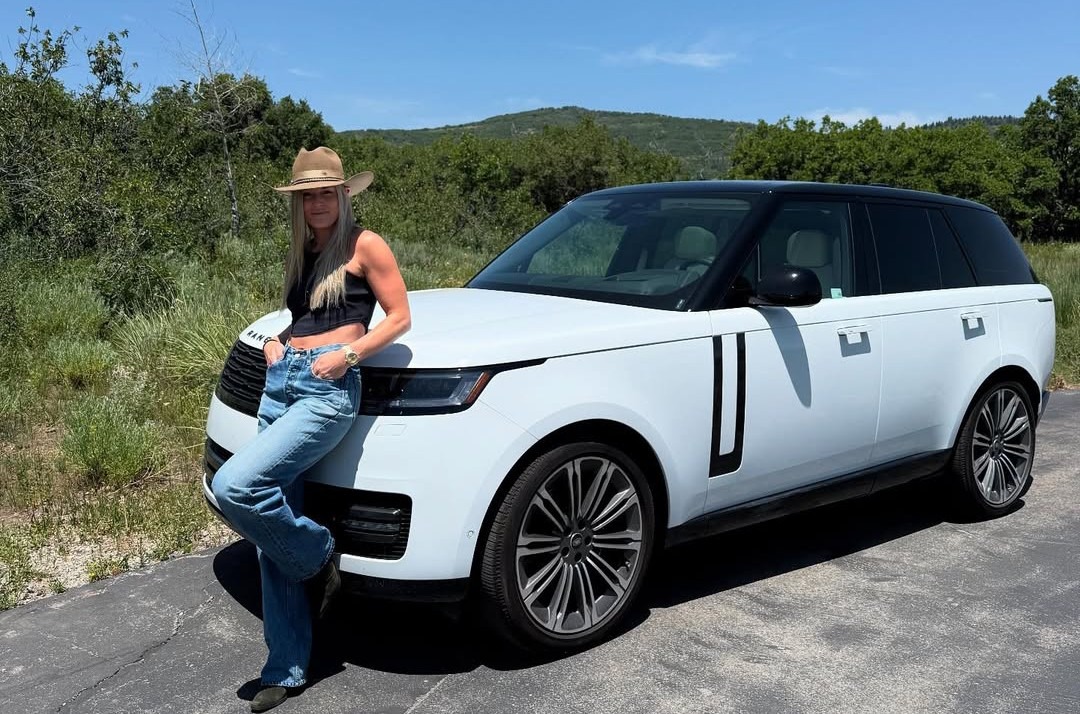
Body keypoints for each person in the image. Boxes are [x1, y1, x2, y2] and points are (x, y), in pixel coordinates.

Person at [211, 146, 411, 713]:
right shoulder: (304, 249)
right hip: (282, 381)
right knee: (268, 535)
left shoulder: (365, 244)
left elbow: (399, 318)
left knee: (234, 486)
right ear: (299, 203)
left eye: (326, 193)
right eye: (308, 195)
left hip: (327, 388)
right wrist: (276, 342)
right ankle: (287, 667)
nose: (318, 203)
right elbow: (302, 319)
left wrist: (348, 356)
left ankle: (318, 553)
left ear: (344, 195)